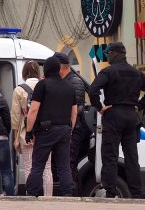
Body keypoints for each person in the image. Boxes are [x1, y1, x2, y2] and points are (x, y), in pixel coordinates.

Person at [88, 42, 145, 198]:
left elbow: (92, 89)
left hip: (113, 115)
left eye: (108, 53)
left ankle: (111, 192)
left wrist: (99, 107)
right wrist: (139, 106)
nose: (107, 56)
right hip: (131, 117)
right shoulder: (136, 73)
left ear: (115, 54)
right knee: (132, 157)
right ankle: (136, 193)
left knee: (110, 155)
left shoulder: (108, 72)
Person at [25, 56, 77, 197]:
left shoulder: (42, 85)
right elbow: (74, 112)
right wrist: (69, 129)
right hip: (65, 130)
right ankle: (68, 195)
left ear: (46, 69)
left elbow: (34, 110)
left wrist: (29, 131)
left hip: (45, 131)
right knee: (64, 166)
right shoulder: (70, 87)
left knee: (38, 165)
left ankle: (32, 193)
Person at [11, 60, 53, 196]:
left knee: (29, 167)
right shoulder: (46, 86)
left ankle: (31, 196)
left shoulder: (19, 90)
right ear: (38, 72)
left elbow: (16, 117)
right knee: (47, 168)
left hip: (26, 132)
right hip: (45, 132)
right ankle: (49, 198)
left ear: (24, 73)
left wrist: (16, 137)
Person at [54, 52, 91, 196]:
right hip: (70, 128)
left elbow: (78, 108)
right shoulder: (66, 81)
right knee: (67, 164)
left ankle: (75, 195)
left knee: (69, 163)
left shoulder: (74, 81)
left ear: (61, 68)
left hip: (75, 129)